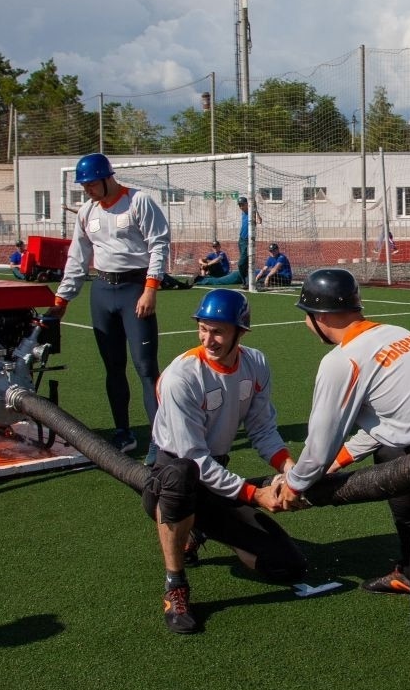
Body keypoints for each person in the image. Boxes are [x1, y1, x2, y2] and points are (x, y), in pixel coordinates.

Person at [255, 269, 410, 660]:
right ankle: (409, 571)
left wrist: (293, 486)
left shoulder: (342, 361)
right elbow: (389, 427)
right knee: (389, 454)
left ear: (319, 317)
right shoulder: (396, 333)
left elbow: (319, 446)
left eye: (306, 315)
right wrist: (337, 463)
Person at [143, 289, 306, 634]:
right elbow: (193, 457)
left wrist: (290, 471)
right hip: (173, 474)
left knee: (287, 566)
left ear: (239, 332)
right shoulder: (181, 376)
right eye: (203, 329)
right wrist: (255, 494)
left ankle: (200, 526)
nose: (208, 339)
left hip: (214, 475)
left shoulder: (255, 363)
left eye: (218, 331)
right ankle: (175, 585)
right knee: (181, 475)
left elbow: (263, 429)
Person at [45, 152, 170, 463]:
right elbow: (77, 257)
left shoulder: (139, 201)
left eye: (90, 184)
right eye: (84, 186)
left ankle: (160, 440)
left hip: (135, 290)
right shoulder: (86, 212)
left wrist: (150, 289)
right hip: (102, 292)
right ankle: (123, 433)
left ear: (106, 178)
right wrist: (62, 299)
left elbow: (159, 244)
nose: (87, 190)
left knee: (145, 368)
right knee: (113, 367)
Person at [235, 195, 263, 284]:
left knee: (241, 263)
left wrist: (255, 209)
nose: (241, 207)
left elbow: (259, 221)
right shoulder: (243, 213)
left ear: (247, 204)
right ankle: (247, 282)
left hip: (248, 241)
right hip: (241, 240)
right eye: (239, 205)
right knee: (245, 262)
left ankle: (244, 281)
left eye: (242, 205)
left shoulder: (252, 213)